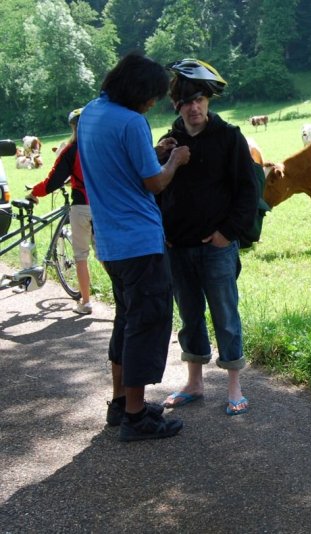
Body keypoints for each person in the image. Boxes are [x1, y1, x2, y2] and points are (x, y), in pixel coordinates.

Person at [77, 53, 191, 442]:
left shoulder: (92, 112)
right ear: (138, 92)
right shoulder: (132, 121)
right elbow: (154, 183)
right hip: (139, 241)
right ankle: (137, 416)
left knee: (125, 322)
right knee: (147, 324)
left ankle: (119, 402)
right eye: (152, 97)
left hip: (108, 242)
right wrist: (174, 159)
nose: (153, 104)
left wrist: (153, 155)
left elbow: (118, 166)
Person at [156, 59, 258, 416]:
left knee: (225, 314)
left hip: (216, 247)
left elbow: (248, 191)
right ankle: (194, 383)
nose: (194, 106)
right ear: (176, 105)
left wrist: (226, 233)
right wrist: (162, 160)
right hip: (177, 246)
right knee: (189, 315)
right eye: (186, 100)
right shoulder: (170, 142)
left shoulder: (229, 137)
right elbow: (156, 189)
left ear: (208, 100)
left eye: (199, 98)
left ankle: (234, 385)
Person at [26, 108, 95, 315]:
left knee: (81, 256)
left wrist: (34, 193)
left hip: (81, 206)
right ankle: (124, 299)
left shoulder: (71, 150)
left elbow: (53, 182)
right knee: (107, 255)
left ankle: (86, 302)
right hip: (105, 206)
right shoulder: (104, 145)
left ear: (73, 127)